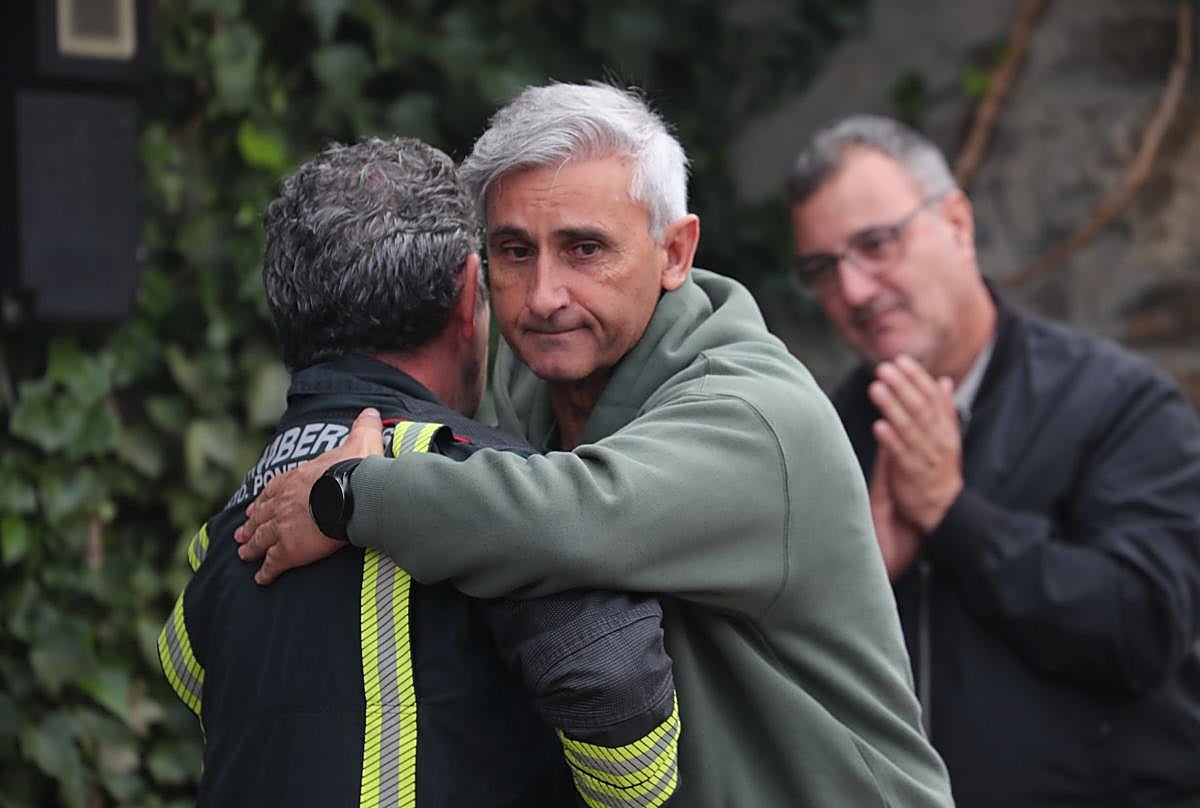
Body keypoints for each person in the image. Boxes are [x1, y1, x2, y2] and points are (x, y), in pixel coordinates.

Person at [238, 83, 953, 807]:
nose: (545, 294)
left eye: (585, 249)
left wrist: (348, 495)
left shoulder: (754, 414)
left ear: (675, 252)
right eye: (515, 251)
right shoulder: (528, 376)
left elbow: (573, 518)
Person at [157, 136, 681, 807]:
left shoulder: (230, 531)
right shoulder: (490, 491)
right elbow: (616, 695)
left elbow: (187, 670)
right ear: (469, 292)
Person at [787, 114, 1200, 807]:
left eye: (877, 245)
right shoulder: (820, 435)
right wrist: (855, 578)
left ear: (956, 222)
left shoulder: (1119, 404)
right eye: (824, 269)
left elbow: (1142, 630)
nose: (854, 292)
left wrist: (954, 519)